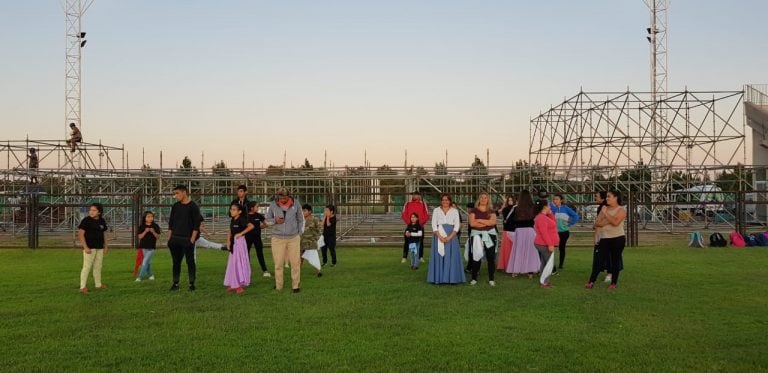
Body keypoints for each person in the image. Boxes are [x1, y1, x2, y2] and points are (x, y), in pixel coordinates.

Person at [265, 187, 305, 293]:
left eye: (285, 198)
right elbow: (267, 220)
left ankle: (295, 286)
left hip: (293, 238)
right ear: (278, 197)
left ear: (289, 196)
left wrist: (299, 234)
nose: (283, 200)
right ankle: (279, 286)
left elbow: (301, 219)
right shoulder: (273, 205)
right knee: (278, 264)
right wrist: (275, 220)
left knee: (295, 263)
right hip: (277, 238)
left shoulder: (296, 204)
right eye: (281, 198)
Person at [586, 190, 627, 290]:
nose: (607, 198)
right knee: (598, 260)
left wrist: (605, 214)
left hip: (618, 238)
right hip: (604, 238)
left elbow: (616, 222)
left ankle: (613, 283)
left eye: (609, 196)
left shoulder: (621, 210)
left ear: (616, 198)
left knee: (615, 260)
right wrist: (608, 220)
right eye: (607, 196)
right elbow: (597, 223)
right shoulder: (604, 208)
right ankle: (591, 282)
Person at [167, 185, 203, 292]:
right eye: (175, 193)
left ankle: (191, 284)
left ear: (184, 192)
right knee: (176, 262)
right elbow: (171, 223)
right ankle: (175, 283)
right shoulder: (175, 206)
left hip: (187, 240)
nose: (175, 196)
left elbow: (196, 225)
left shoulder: (193, 206)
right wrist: (169, 239)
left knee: (190, 262)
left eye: (177, 193)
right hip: (175, 239)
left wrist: (192, 239)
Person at [426, 193, 465, 284]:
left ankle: (452, 278)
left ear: (450, 201)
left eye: (447, 200)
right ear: (441, 201)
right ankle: (439, 278)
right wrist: (439, 236)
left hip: (452, 236)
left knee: (451, 257)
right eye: (443, 200)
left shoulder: (455, 211)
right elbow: (433, 225)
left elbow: (456, 226)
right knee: (439, 256)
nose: (445, 201)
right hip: (438, 235)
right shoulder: (436, 210)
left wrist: (450, 237)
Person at [505, 190, 541, 278]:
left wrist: (513, 228)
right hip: (530, 231)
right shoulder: (533, 207)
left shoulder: (516, 208)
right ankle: (530, 272)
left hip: (519, 231)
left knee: (518, 251)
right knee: (531, 251)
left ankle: (516, 271)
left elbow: (508, 221)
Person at [468, 192, 498, 286]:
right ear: (479, 199)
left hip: (490, 235)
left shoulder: (491, 210)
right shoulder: (473, 210)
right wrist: (487, 223)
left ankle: (491, 279)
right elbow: (472, 224)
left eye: (485, 198)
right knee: (476, 256)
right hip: (476, 235)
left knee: (490, 257)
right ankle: (474, 278)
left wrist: (480, 220)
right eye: (481, 197)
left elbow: (493, 222)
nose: (483, 199)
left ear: (488, 199)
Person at [78, 203, 108, 294]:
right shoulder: (86, 221)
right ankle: (82, 287)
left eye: (94, 210)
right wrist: (85, 247)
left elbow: (104, 234)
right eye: (90, 210)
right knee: (87, 267)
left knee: (98, 266)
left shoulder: (102, 221)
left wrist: (105, 246)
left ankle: (98, 285)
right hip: (90, 248)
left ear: (99, 212)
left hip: (99, 247)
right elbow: (80, 234)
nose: (91, 212)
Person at [224, 203, 254, 294]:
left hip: (240, 243)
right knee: (233, 264)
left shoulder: (241, 219)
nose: (231, 211)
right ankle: (233, 283)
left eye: (234, 209)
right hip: (233, 243)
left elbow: (251, 226)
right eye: (231, 209)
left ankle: (240, 285)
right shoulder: (233, 220)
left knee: (239, 263)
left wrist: (241, 234)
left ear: (239, 211)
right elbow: (230, 231)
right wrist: (228, 241)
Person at [550, 194, 580, 273]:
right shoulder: (553, 209)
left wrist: (569, 223)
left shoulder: (566, 209)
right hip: (554, 232)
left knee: (561, 248)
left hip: (564, 232)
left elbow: (576, 216)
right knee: (552, 248)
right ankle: (552, 265)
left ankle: (561, 264)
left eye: (556, 199)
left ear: (561, 200)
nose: (554, 201)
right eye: (554, 199)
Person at [534, 200, 559, 288]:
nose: (550, 207)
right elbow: (544, 232)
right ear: (545, 207)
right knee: (549, 264)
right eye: (549, 206)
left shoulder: (544, 217)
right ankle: (544, 282)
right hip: (543, 244)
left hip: (544, 243)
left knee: (545, 263)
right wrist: (550, 244)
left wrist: (550, 213)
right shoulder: (541, 218)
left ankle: (544, 282)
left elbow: (553, 223)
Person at [401, 191, 430, 262]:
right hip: (410, 226)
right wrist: (410, 223)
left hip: (420, 226)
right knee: (407, 241)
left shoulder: (423, 204)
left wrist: (420, 223)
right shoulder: (407, 204)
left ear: (419, 196)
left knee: (420, 242)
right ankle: (404, 257)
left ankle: (420, 257)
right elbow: (404, 214)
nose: (415, 196)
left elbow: (427, 215)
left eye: (417, 195)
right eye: (413, 195)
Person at [246, 201, 270, 277]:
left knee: (260, 254)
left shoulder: (259, 215)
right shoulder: (245, 216)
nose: (258, 208)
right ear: (251, 208)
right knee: (246, 254)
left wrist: (258, 228)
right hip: (247, 238)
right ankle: (246, 270)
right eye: (257, 206)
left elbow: (266, 224)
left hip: (257, 238)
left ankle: (265, 270)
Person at [136, 211, 161, 282]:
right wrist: (145, 231)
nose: (150, 218)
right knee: (148, 262)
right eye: (148, 217)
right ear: (145, 218)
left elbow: (158, 236)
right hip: (143, 247)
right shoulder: (142, 226)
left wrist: (153, 232)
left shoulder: (155, 226)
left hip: (151, 247)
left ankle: (140, 277)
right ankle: (151, 275)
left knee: (145, 261)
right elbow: (140, 237)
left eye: (152, 216)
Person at [300, 204, 323, 277]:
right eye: (302, 211)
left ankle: (318, 271)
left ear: (309, 211)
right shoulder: (301, 220)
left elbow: (319, 230)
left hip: (311, 242)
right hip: (302, 241)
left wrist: (316, 238)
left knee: (313, 256)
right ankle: (297, 271)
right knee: (300, 257)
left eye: (304, 211)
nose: (303, 212)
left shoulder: (314, 219)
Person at [593, 191, 612, 283]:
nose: (595, 198)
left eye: (596, 196)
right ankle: (600, 272)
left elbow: (600, 223)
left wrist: (597, 235)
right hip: (602, 234)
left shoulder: (606, 208)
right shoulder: (601, 207)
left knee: (608, 255)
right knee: (601, 255)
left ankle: (610, 274)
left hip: (607, 235)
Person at [497, 196, 516, 271]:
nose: (510, 201)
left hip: (514, 230)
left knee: (512, 249)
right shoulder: (506, 209)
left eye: (511, 200)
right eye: (509, 200)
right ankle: (506, 265)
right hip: (507, 230)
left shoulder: (516, 209)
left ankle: (512, 265)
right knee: (507, 250)